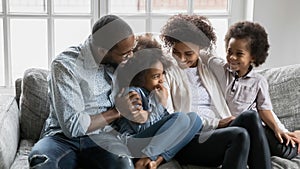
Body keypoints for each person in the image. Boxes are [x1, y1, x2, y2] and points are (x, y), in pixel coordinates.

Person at [28, 14, 145, 169]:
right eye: (125, 53)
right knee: (41, 162)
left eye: (132, 50)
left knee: (123, 165)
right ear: (103, 50)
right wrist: (117, 112)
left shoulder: (118, 64)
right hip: (60, 139)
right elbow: (73, 127)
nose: (130, 56)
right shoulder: (65, 66)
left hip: (104, 138)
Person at [160, 14, 272, 169]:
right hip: (189, 139)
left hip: (219, 132)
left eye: (189, 53)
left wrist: (281, 129)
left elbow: (232, 63)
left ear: (200, 49)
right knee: (239, 135)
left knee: (250, 116)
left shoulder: (208, 66)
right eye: (176, 52)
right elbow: (172, 119)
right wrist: (216, 123)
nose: (181, 59)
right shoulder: (166, 72)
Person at [203, 21, 300, 158]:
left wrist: (278, 129)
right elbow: (203, 53)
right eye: (229, 51)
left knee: (284, 148)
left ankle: (296, 135)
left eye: (239, 54)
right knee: (248, 129)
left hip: (256, 128)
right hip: (235, 127)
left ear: (252, 57)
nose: (232, 57)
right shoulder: (220, 69)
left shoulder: (258, 81)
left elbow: (264, 110)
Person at [113, 43, 202, 169]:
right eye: (156, 76)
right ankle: (145, 159)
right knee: (180, 117)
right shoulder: (132, 93)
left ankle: (155, 161)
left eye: (162, 75)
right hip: (133, 142)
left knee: (194, 119)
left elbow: (165, 126)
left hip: (151, 142)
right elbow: (142, 129)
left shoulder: (154, 94)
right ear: (140, 79)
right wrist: (161, 104)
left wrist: (158, 105)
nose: (162, 80)